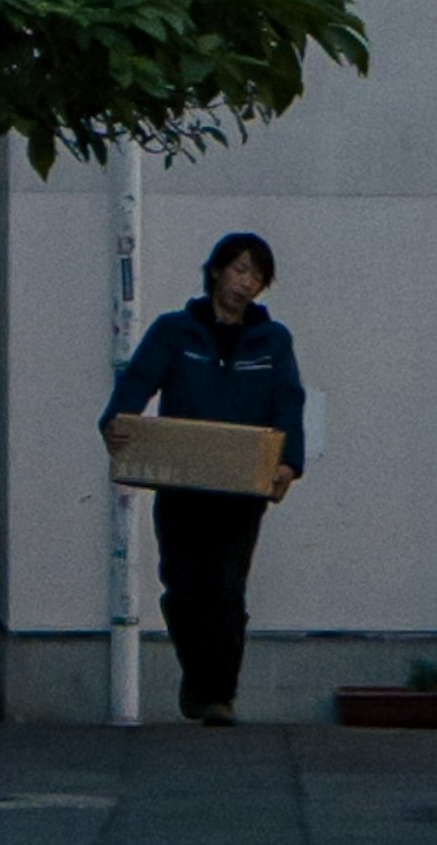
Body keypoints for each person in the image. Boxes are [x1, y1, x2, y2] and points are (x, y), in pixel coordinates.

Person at [103, 232, 307, 724]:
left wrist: (289, 461)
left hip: (240, 489)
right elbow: (137, 381)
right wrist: (116, 422)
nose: (246, 282)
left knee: (226, 586)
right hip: (182, 486)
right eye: (239, 269)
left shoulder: (272, 340)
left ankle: (219, 694)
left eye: (256, 275)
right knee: (183, 586)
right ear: (216, 271)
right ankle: (198, 677)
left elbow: (288, 400)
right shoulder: (176, 331)